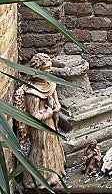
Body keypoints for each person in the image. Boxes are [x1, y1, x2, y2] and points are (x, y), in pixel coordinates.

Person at [20, 53, 66, 188]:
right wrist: (48, 112)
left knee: (53, 146)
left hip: (51, 124)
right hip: (39, 128)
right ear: (38, 70)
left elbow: (58, 105)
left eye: (50, 67)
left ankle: (55, 173)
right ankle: (38, 179)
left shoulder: (51, 84)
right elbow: (34, 117)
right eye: (47, 68)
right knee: (42, 149)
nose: (50, 70)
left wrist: (55, 107)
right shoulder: (32, 92)